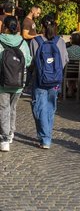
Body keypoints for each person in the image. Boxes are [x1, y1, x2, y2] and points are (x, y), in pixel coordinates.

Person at [29, 16, 68, 149]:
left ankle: (45, 138)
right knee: (51, 107)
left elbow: (31, 61)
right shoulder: (60, 41)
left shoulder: (35, 41)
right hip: (55, 80)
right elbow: (64, 60)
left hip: (39, 79)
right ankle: (47, 136)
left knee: (39, 107)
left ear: (41, 26)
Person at [0, 16, 32, 152]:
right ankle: (11, 133)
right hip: (19, 82)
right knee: (12, 108)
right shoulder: (22, 43)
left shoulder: (0, 42)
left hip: (2, 82)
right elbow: (29, 61)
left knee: (3, 109)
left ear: (5, 27)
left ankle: (4, 138)